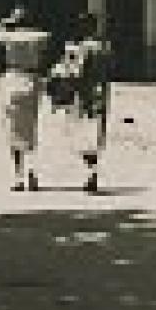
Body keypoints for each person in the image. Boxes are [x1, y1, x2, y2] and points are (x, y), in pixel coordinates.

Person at [49, 13, 115, 193]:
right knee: (95, 131)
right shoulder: (104, 46)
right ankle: (92, 172)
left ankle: (91, 173)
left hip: (85, 93)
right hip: (101, 91)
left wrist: (62, 89)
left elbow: (77, 72)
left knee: (81, 133)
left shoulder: (82, 48)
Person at [0, 5, 51, 192]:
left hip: (13, 79)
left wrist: (7, 21)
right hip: (32, 79)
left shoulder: (8, 36)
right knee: (31, 127)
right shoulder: (40, 36)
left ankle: (18, 176)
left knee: (13, 130)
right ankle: (32, 171)